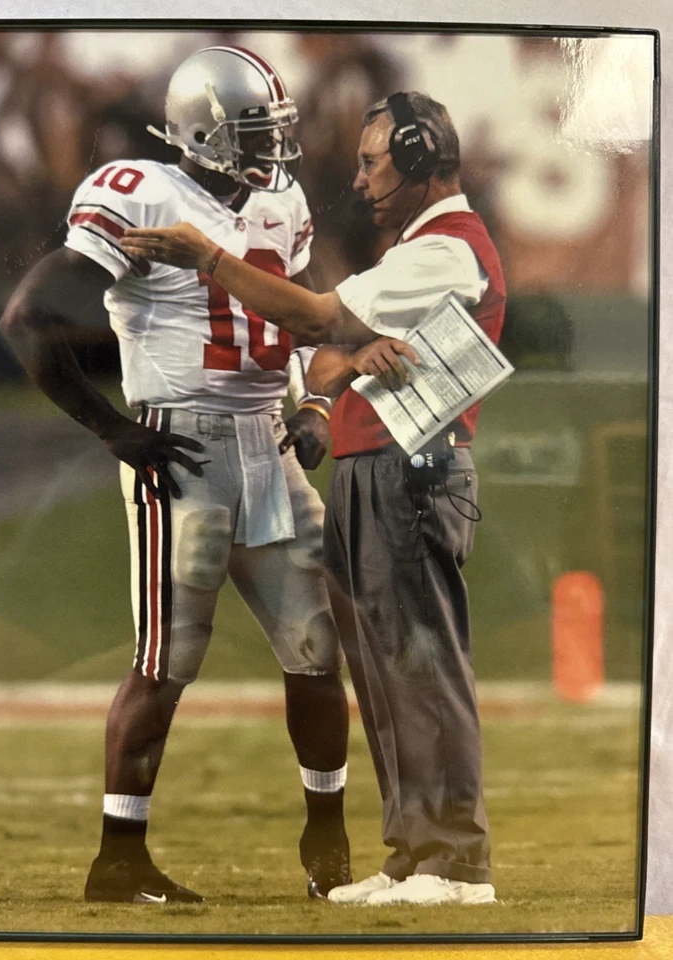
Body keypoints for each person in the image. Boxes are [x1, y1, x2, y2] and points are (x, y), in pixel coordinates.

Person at [120, 90, 506, 906]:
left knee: (418, 666)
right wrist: (332, 374)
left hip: (411, 469)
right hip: (379, 469)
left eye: (373, 162)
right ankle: (413, 854)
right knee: (384, 673)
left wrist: (210, 262)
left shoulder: (443, 249)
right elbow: (331, 355)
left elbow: (317, 316)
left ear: (417, 157)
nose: (359, 178)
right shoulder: (421, 249)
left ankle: (452, 862)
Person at [0, 45, 352, 905]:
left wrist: (309, 409)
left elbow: (291, 318)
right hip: (183, 450)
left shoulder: (282, 200)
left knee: (317, 649)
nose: (273, 145)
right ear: (204, 130)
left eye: (275, 126)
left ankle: (327, 836)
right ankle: (118, 858)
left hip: (268, 446)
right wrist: (115, 430)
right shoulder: (142, 192)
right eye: (255, 128)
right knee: (165, 661)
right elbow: (26, 317)